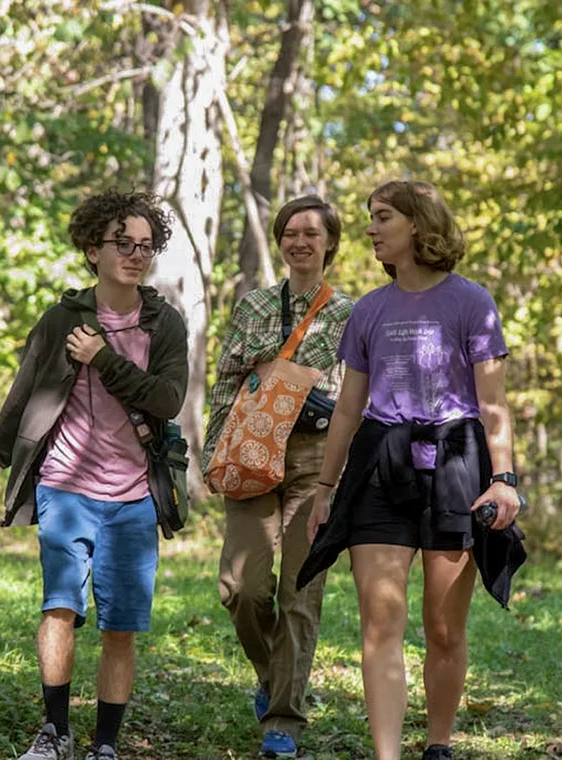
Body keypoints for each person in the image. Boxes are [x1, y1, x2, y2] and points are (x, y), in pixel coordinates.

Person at [0, 190, 188, 760]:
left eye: (145, 245)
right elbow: (22, 399)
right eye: (122, 243)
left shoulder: (164, 324)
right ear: (92, 249)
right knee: (58, 605)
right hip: (65, 484)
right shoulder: (62, 319)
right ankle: (55, 733)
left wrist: (104, 358)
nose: (136, 254)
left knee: (120, 627)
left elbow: (168, 399)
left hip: (134, 495)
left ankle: (104, 745)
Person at [297, 180, 526, 760]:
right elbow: (348, 407)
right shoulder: (369, 310)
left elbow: (494, 402)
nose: (371, 229)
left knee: (443, 627)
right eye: (371, 218)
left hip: (456, 462)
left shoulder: (472, 302)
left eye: (382, 218)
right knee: (381, 619)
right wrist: (325, 488)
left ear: (419, 226)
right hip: (380, 464)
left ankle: (438, 745)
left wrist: (505, 480)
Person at [202, 196, 355, 758]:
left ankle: (283, 721)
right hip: (250, 450)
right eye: (290, 232)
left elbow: (356, 394)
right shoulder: (254, 305)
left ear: (330, 243)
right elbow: (227, 378)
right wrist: (213, 451)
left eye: (311, 233)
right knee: (241, 588)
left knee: (300, 593)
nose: (300, 241)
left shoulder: (349, 314)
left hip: (315, 459)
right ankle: (274, 678)